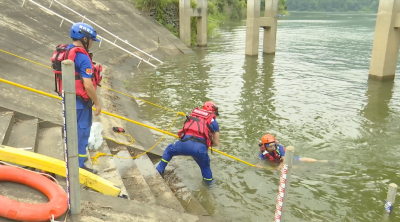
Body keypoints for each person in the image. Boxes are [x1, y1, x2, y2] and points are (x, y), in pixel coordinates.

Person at [67, 22, 102, 174]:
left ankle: (75, 159)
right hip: (81, 103)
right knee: (82, 133)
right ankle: (79, 166)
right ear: (85, 39)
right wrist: (97, 102)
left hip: (70, 99)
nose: (92, 43)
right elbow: (88, 85)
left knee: (72, 130)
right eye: (92, 40)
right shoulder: (82, 57)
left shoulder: (69, 50)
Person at [156, 101, 220, 183]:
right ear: (213, 112)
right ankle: (209, 186)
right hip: (200, 149)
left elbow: (183, 130)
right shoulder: (214, 122)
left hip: (185, 144)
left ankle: (159, 171)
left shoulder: (193, 115)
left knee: (169, 150)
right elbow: (216, 143)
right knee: (205, 167)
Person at [257, 134, 327, 169]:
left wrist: (279, 167)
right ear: (265, 146)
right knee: (297, 169)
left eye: (273, 144)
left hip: (289, 159)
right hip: (278, 163)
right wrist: (259, 166)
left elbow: (284, 159)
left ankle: (320, 161)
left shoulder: (279, 147)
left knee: (301, 160)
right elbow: (261, 162)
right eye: (269, 145)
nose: (272, 147)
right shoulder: (263, 154)